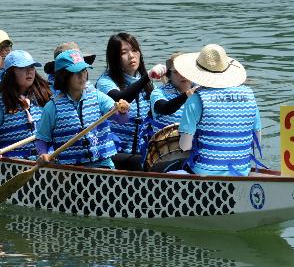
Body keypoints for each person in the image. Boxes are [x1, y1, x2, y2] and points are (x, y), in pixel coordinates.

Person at [175, 44, 262, 176]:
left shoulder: (196, 99)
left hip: (204, 172)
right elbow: (257, 141)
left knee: (164, 167)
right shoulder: (249, 95)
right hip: (242, 171)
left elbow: (185, 147)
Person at [35, 49, 130, 169]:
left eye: (84, 71)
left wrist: (123, 111)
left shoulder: (97, 96)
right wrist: (43, 154)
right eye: (77, 73)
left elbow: (122, 119)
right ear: (64, 76)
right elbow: (42, 139)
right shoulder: (51, 108)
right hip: (70, 170)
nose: (82, 76)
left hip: (102, 165)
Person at [95, 32, 166, 170]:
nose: (131, 56)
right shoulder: (105, 82)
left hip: (140, 153)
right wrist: (148, 76)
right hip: (112, 153)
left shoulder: (149, 87)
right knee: (139, 163)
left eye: (134, 50)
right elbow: (122, 98)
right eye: (124, 52)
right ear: (115, 57)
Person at [0, 50, 52, 160]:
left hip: (45, 159)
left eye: (32, 67)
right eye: (22, 68)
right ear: (10, 73)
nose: (29, 72)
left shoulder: (44, 96)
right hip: (15, 161)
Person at [149, 53, 199, 130]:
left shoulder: (201, 90)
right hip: (166, 141)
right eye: (176, 71)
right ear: (169, 76)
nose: (183, 75)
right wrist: (186, 95)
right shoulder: (159, 92)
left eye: (186, 70)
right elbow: (165, 108)